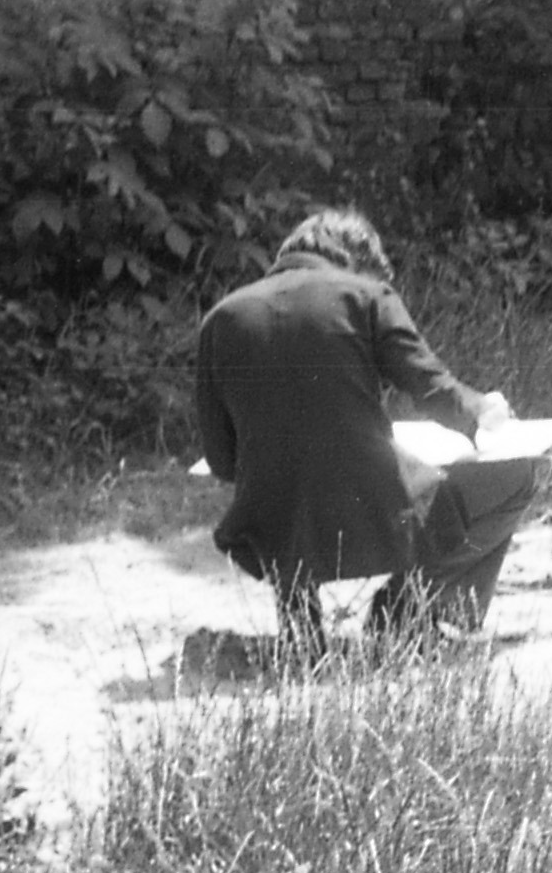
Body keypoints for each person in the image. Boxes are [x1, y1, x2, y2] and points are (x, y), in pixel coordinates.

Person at [194, 207, 530, 651]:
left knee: (286, 485)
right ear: (356, 258)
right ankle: (403, 611)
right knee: (518, 475)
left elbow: (221, 460)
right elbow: (429, 386)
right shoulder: (366, 295)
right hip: (378, 513)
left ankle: (301, 629)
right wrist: (480, 408)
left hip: (269, 526)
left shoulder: (220, 320)